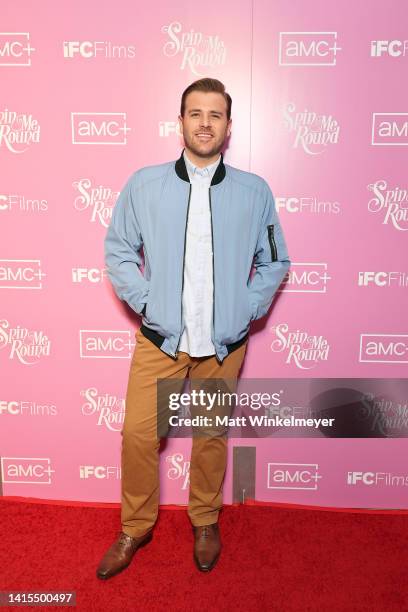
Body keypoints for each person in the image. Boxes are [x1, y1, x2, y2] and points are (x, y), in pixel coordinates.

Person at [96, 78, 291, 579]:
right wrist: (148, 302)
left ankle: (204, 519)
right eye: (195, 113)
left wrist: (244, 310)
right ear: (179, 121)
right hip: (162, 341)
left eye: (215, 115)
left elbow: (273, 262)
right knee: (139, 434)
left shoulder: (254, 191)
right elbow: (119, 250)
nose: (205, 123)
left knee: (209, 435)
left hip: (222, 346)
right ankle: (136, 526)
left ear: (228, 126)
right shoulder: (145, 184)